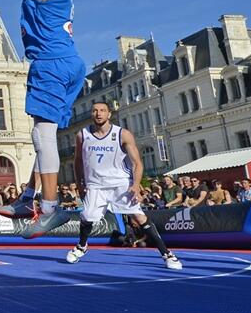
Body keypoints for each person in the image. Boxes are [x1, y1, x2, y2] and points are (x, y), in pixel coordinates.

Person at [0, 0, 85, 238]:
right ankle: (29, 197)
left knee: (43, 135)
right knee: (44, 135)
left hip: (51, 63)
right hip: (69, 62)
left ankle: (50, 208)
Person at [66, 102, 181, 270]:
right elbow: (77, 161)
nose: (98, 113)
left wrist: (136, 185)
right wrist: (79, 183)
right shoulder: (82, 135)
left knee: (139, 217)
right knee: (87, 216)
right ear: (91, 114)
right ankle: (81, 246)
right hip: (95, 184)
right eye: (95, 110)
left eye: (102, 110)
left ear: (109, 114)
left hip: (120, 183)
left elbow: (137, 163)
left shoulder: (122, 134)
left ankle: (167, 254)